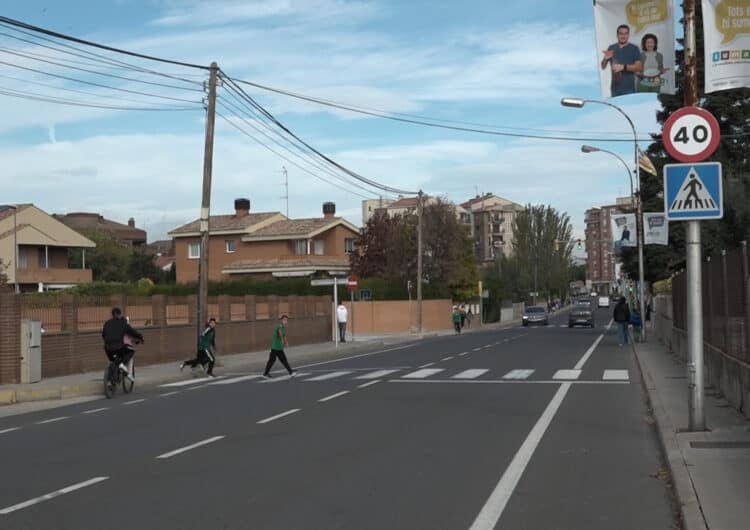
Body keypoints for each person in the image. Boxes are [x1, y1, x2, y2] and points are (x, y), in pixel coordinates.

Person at [102, 307, 143, 381]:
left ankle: (112, 375)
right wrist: (140, 337)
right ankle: (122, 364)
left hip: (107, 348)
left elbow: (103, 335)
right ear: (119, 314)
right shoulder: (123, 322)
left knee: (113, 360)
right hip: (118, 346)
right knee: (131, 351)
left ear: (112, 314)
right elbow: (132, 331)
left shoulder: (107, 323)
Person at [601, 24, 642, 96]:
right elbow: (603, 66)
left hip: (629, 89)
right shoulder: (611, 47)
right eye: (621, 33)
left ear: (628, 35)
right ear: (617, 35)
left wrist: (623, 67)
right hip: (614, 89)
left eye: (625, 33)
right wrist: (605, 58)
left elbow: (639, 67)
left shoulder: (634, 48)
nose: (623, 36)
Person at [263, 315, 297, 379]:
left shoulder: (283, 327)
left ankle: (291, 372)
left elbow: (284, 335)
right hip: (275, 347)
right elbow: (280, 333)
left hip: (279, 348)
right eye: (284, 320)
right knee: (274, 360)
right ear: (281, 320)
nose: (286, 321)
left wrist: (286, 342)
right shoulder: (279, 326)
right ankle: (265, 374)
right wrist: (282, 340)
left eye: (286, 320)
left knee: (282, 360)